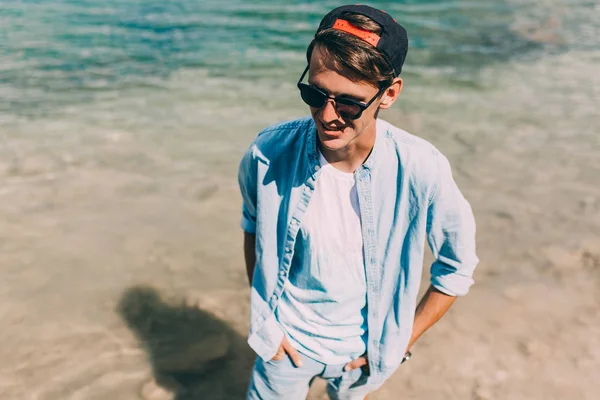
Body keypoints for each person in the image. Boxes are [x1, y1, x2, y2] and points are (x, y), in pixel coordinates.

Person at [238, 4, 479, 399]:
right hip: (283, 347)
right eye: (314, 93)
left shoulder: (422, 169)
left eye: (349, 102)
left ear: (389, 94)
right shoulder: (269, 152)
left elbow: (456, 268)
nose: (328, 115)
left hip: (364, 359)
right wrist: (267, 322)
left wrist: (398, 344)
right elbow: (253, 226)